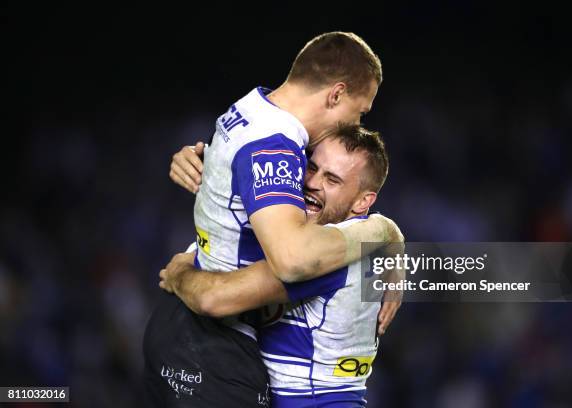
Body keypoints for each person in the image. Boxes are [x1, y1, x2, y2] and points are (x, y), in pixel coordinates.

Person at [143, 32, 403, 407]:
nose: (355, 122)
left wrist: (388, 235)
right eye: (360, 111)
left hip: (191, 333)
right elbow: (292, 258)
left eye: (331, 179)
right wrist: (385, 230)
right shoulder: (276, 144)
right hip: (211, 348)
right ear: (336, 94)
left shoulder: (250, 108)